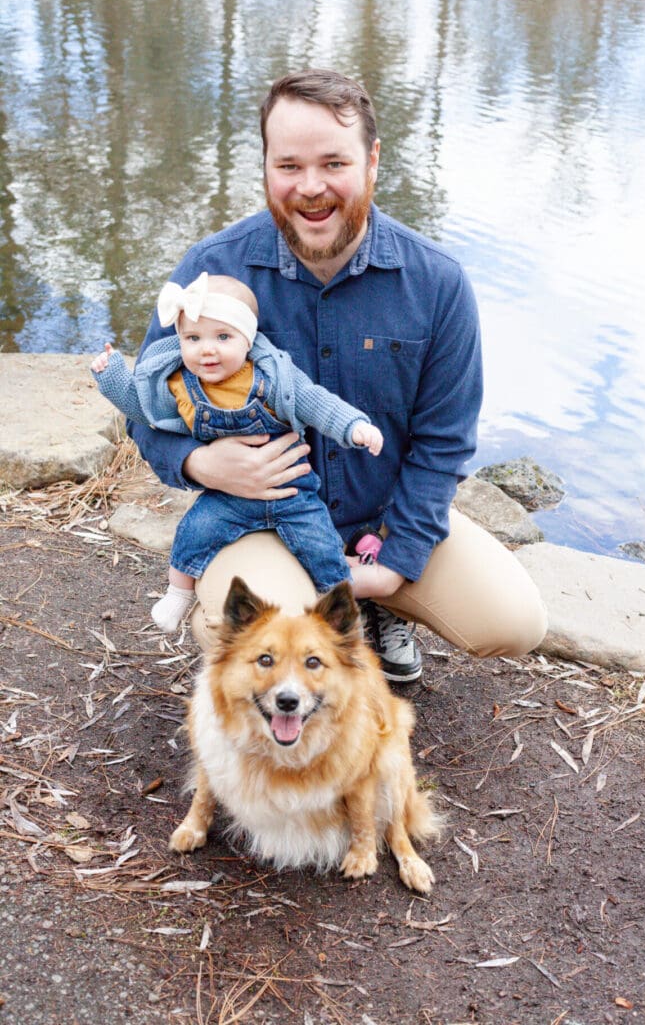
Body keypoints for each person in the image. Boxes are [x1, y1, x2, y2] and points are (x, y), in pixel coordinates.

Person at [127, 68, 548, 681]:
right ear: (265, 165)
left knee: (514, 621)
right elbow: (144, 408)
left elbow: (444, 441)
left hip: (384, 515)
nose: (311, 187)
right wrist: (198, 464)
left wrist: (398, 559)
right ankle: (283, 618)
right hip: (264, 521)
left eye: (334, 163)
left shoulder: (437, 283)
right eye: (289, 165)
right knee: (270, 643)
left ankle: (380, 605)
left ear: (371, 160)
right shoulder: (211, 270)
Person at [91, 272, 385, 631]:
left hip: (292, 494)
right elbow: (142, 411)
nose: (207, 349)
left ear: (248, 339)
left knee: (321, 544)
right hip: (228, 495)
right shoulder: (179, 384)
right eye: (193, 338)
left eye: (223, 337)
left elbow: (315, 402)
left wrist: (354, 427)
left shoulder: (272, 376)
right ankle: (177, 594)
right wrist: (111, 377)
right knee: (195, 531)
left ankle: (341, 609)